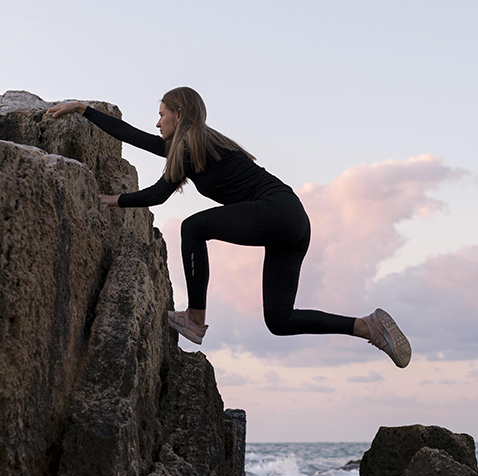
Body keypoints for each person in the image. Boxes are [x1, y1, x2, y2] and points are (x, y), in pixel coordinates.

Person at [47, 87, 412, 368]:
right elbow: (135, 137)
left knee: (193, 228)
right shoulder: (195, 143)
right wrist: (83, 110)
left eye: (162, 114)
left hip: (277, 211)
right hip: (292, 221)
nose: (157, 123)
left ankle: (195, 318)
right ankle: (368, 327)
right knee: (280, 320)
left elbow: (159, 195)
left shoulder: (191, 144)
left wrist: (112, 200)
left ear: (179, 114)